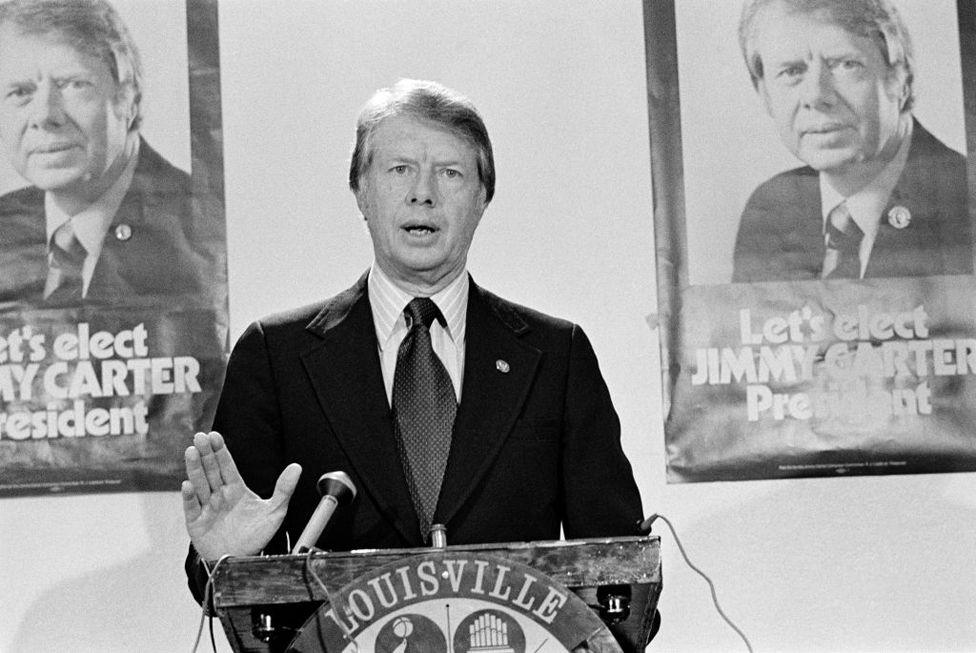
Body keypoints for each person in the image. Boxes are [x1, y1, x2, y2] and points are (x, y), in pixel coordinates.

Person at [181, 79, 643, 606]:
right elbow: (227, 587)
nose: (423, 192)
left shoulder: (556, 358)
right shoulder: (275, 356)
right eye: (400, 169)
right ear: (360, 190)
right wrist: (225, 560)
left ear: (484, 198)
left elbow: (618, 576)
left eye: (449, 173)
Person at [0, 0, 221, 307]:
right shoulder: (4, 226)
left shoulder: (205, 226)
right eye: (20, 92)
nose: (44, 115)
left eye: (74, 84)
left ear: (129, 99)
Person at [732, 0, 971, 283]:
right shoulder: (769, 212)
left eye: (846, 65)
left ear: (899, 77)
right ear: (764, 94)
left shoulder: (966, 201)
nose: (816, 96)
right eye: (792, 71)